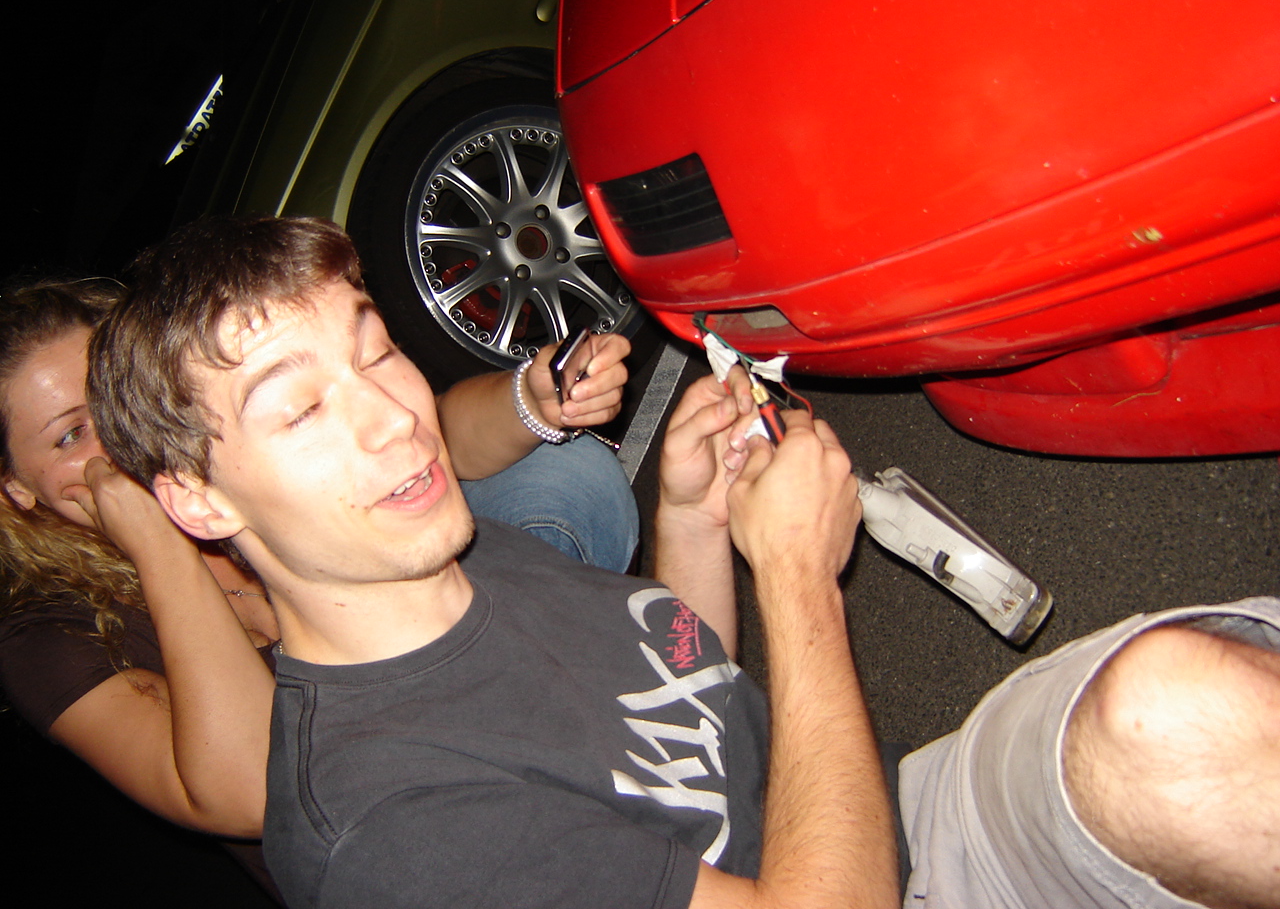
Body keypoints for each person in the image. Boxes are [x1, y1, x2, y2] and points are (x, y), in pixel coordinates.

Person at [90, 215, 1279, 909]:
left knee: (1177, 711)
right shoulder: (390, 832)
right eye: (300, 409)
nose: (393, 418)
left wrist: (692, 514)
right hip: (851, 880)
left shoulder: (431, 556)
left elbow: (672, 680)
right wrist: (796, 581)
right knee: (1179, 714)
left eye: (374, 352)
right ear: (194, 498)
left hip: (866, 822)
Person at [0, 262, 637, 840]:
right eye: (71, 436)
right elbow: (255, 793)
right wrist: (158, 543)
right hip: (402, 821)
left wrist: (530, 398)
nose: (115, 439)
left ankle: (585, 704)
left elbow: (420, 437)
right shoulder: (44, 639)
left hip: (482, 672)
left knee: (560, 473)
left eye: (112, 397)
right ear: (17, 488)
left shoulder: (228, 447)